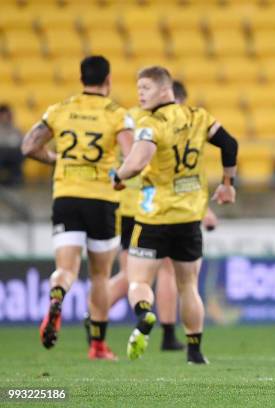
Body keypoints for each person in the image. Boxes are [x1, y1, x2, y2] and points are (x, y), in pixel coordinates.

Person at [111, 66, 238, 364]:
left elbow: (139, 160)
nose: (140, 93)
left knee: (138, 281)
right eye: (138, 88)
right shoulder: (198, 117)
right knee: (188, 286)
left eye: (146, 87)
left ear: (165, 89)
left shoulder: (151, 123)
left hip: (153, 218)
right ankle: (195, 351)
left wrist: (119, 175)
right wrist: (228, 184)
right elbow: (229, 144)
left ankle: (145, 315)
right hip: (188, 219)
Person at [85, 80, 218, 351]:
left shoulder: (130, 117)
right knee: (148, 275)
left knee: (141, 275)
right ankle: (103, 317)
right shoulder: (163, 123)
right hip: (150, 207)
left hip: (132, 205)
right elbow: (173, 173)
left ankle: (109, 319)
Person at [21, 55, 133, 360]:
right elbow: (132, 154)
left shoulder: (61, 109)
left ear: (81, 78)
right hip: (102, 199)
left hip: (66, 196)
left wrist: (57, 159)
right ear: (108, 81)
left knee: (66, 268)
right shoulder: (117, 114)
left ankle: (57, 295)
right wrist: (122, 175)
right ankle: (97, 345)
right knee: (99, 275)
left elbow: (29, 146)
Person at [0, 104, 24, 185]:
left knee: (19, 153)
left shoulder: (15, 128)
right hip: (2, 154)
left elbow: (21, 141)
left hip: (14, 155)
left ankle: (16, 181)